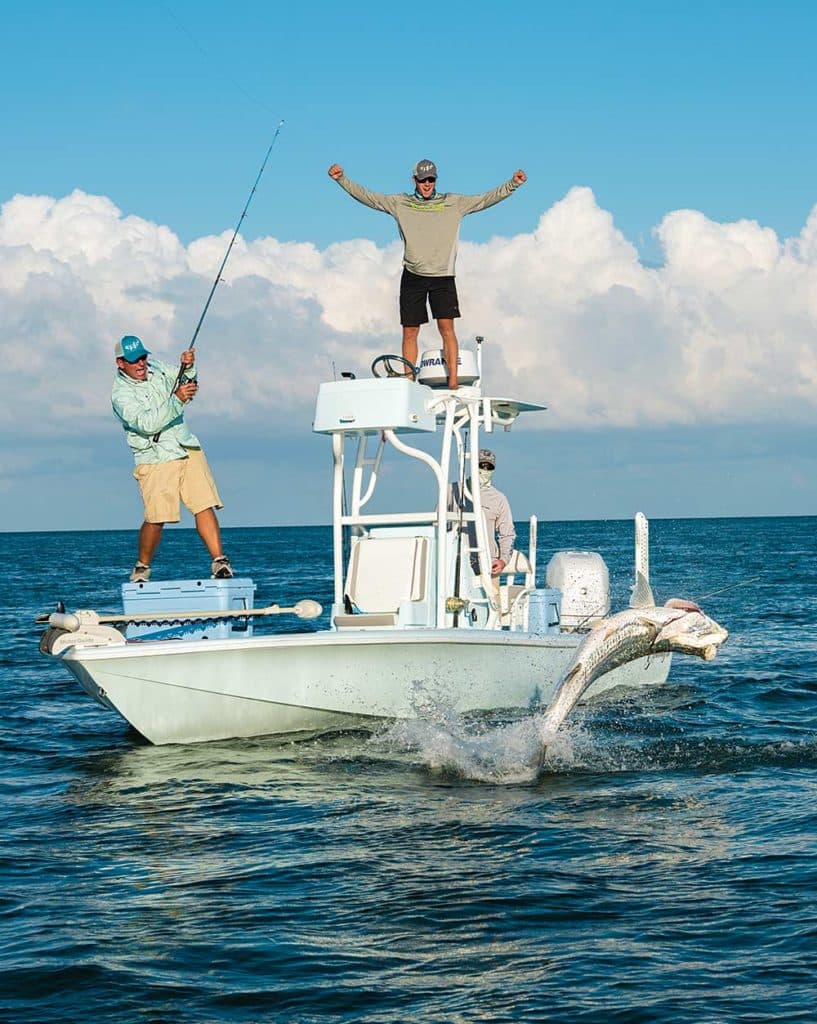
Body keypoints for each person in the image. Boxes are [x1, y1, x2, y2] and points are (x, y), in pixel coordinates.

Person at [327, 159, 527, 389]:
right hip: (413, 275)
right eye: (423, 180)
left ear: (436, 179)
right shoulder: (400, 203)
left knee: (447, 329)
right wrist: (342, 180)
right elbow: (369, 198)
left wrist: (513, 184)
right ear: (415, 180)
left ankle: (453, 384)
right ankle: (408, 382)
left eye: (431, 179)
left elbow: (485, 199)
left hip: (443, 276)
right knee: (410, 331)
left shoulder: (453, 203)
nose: (427, 184)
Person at [111, 334, 233, 583]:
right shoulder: (120, 395)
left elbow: (185, 380)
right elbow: (146, 424)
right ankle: (142, 567)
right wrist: (177, 398)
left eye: (143, 357)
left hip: (185, 445)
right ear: (120, 363)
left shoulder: (156, 367)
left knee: (204, 504)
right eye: (133, 360)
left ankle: (220, 561)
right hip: (155, 458)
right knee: (157, 518)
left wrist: (188, 368)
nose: (141, 363)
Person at [450, 448, 516, 577]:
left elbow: (507, 534)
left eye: (489, 467)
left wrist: (503, 560)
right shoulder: (452, 490)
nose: (485, 469)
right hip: (456, 562)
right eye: (481, 465)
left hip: (488, 565)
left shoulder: (499, 498)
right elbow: (437, 525)